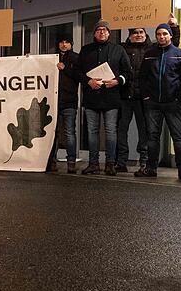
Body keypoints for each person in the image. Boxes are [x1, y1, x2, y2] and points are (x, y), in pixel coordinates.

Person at [116, 14, 180, 172]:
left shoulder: (152, 49)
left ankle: (145, 162)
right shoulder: (122, 50)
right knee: (121, 130)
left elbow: (173, 44)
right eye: (135, 32)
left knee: (144, 131)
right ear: (129, 36)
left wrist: (174, 27)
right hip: (125, 96)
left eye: (141, 32)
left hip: (143, 98)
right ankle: (121, 162)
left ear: (146, 35)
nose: (138, 35)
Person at [75, 20, 132, 176]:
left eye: (105, 30)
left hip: (111, 97)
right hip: (91, 97)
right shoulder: (86, 50)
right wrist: (88, 81)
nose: (102, 32)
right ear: (94, 33)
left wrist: (117, 81)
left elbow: (128, 72)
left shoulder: (118, 50)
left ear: (109, 33)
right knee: (92, 132)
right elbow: (77, 72)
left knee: (111, 132)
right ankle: (93, 164)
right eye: (99, 30)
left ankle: (110, 164)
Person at [136, 23, 181, 180]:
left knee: (178, 137)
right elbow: (143, 78)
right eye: (159, 34)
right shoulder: (149, 54)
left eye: (165, 34)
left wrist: (179, 97)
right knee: (152, 137)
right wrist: (146, 97)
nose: (161, 37)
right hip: (152, 103)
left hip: (174, 103)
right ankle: (151, 168)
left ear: (170, 36)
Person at [47, 36, 80, 173]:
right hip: (53, 102)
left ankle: (71, 162)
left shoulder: (76, 58)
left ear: (71, 44)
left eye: (67, 42)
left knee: (69, 133)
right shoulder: (52, 58)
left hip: (69, 102)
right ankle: (51, 161)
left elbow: (80, 76)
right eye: (61, 41)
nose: (64, 44)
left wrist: (65, 68)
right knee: (53, 133)